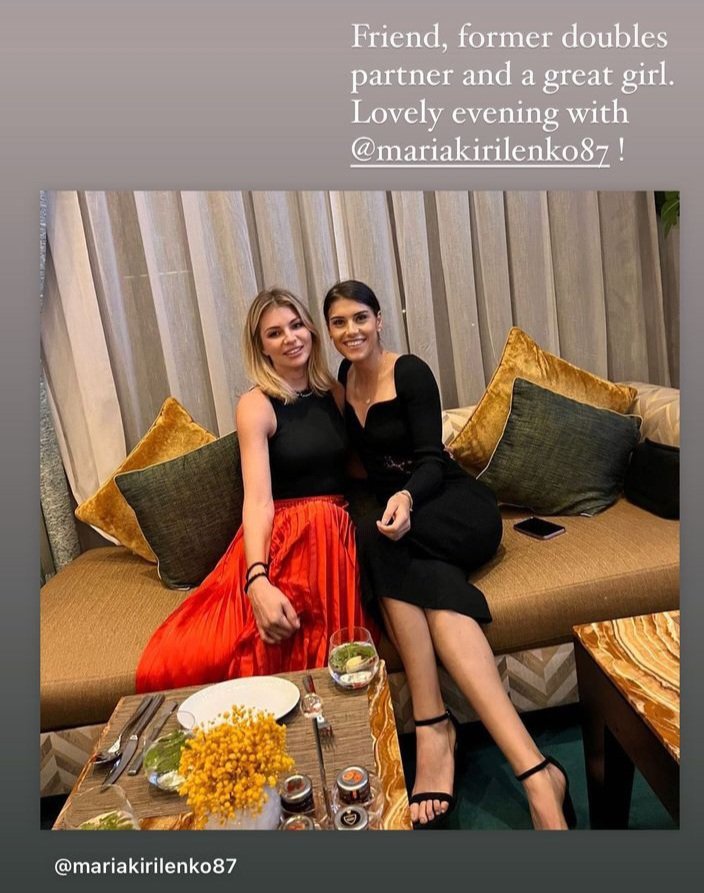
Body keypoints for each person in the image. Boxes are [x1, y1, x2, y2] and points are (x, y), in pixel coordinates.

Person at [323, 280, 575, 831]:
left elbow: (432, 460)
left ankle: (433, 725)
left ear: (379, 319)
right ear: (330, 331)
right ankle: (537, 774)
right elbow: (358, 462)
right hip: (409, 525)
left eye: (360, 318)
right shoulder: (344, 378)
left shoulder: (410, 372)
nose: (351, 330)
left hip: (452, 506)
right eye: (339, 322)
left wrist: (406, 499)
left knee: (374, 538)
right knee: (420, 581)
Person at [136, 288, 370, 692]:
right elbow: (258, 501)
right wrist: (257, 579)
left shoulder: (335, 393)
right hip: (283, 535)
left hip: (335, 533)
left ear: (311, 331)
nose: (290, 338)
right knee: (186, 659)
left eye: (296, 326)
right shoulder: (256, 405)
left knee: (329, 639)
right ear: (262, 348)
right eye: (275, 333)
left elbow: (358, 466)